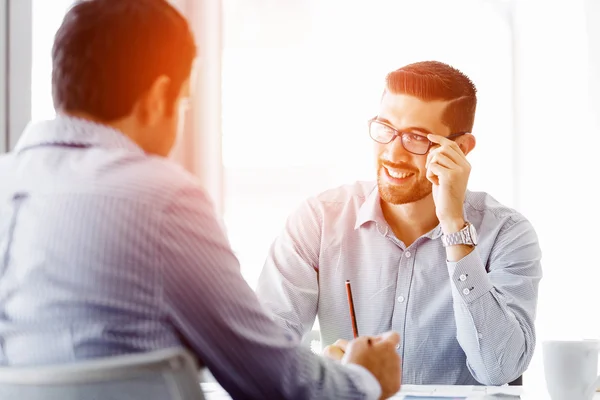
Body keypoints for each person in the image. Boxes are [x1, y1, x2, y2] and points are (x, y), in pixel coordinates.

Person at [0, 0, 402, 398]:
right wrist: (364, 379)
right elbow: (270, 379)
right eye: (183, 102)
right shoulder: (160, 196)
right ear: (158, 98)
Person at [256, 61, 543, 386]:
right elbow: (262, 353)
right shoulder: (319, 220)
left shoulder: (507, 233)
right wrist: (323, 372)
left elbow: (498, 369)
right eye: (385, 129)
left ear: (460, 149)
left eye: (417, 137)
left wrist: (454, 226)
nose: (393, 152)